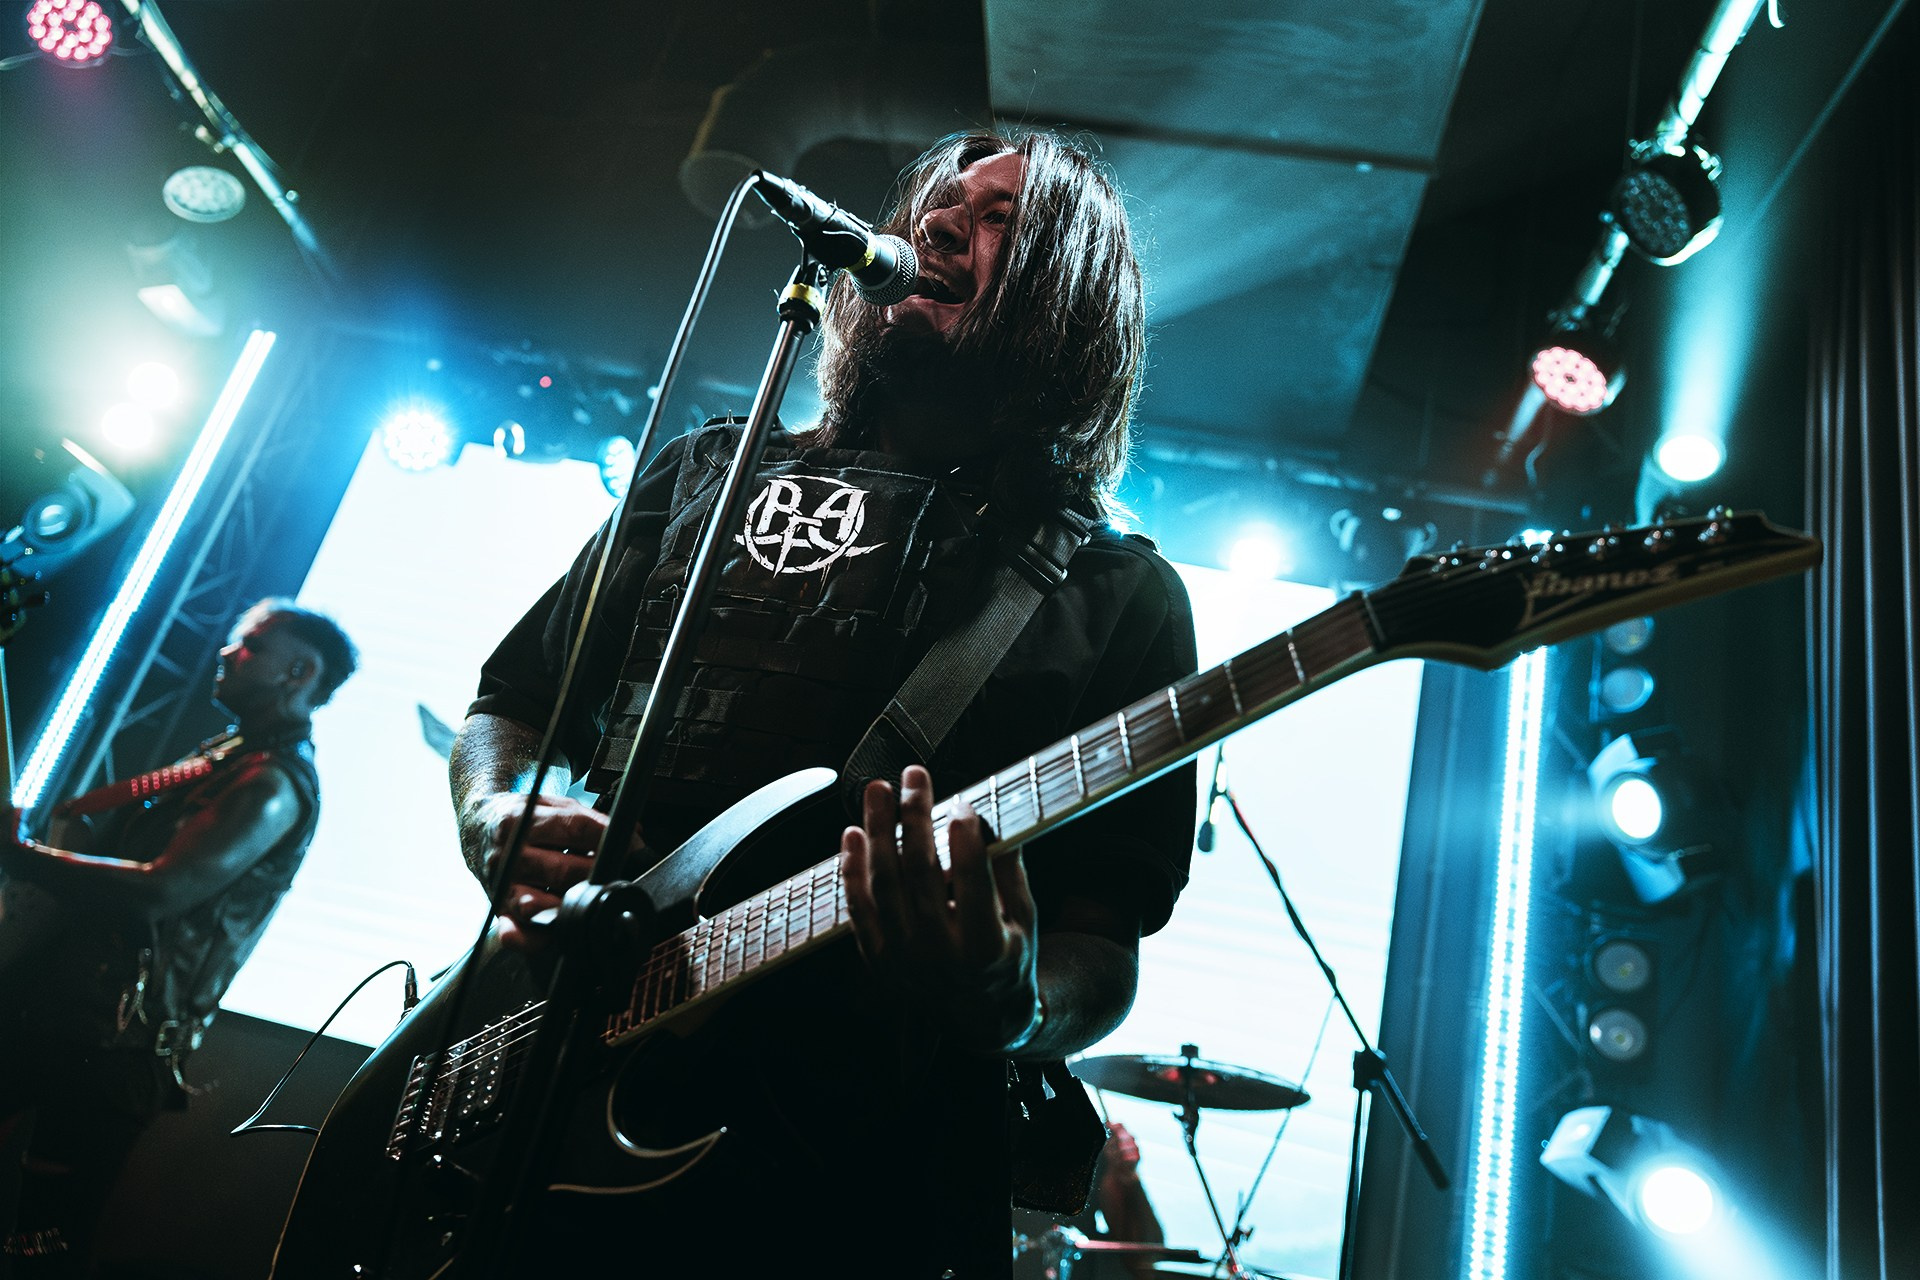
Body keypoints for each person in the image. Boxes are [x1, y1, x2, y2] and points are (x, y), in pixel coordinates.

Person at [454, 128, 1197, 1277]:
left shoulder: (1115, 599)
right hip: (546, 1100)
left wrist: (1006, 999)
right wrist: (495, 810)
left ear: (1071, 296)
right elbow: (515, 697)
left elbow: (1102, 946)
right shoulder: (708, 473)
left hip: (849, 1188)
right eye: (939, 201)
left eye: (997, 218)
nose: (939, 220)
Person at [0, 599, 357, 1275]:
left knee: (40, 1248)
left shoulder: (272, 783)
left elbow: (162, 891)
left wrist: (22, 858)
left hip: (113, 1044)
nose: (226, 653)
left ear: (299, 673)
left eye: (251, 646)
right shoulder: (231, 759)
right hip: (69, 1015)